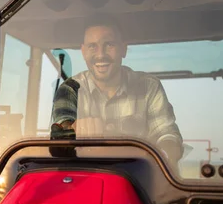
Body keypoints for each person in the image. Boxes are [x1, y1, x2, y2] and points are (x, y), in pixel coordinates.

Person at [50, 19, 184, 162]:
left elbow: (167, 133)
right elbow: (61, 134)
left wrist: (163, 155)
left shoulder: (148, 87)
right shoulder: (70, 89)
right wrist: (72, 129)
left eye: (109, 44)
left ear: (123, 49)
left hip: (139, 177)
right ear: (83, 52)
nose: (100, 54)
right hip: (87, 175)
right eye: (92, 46)